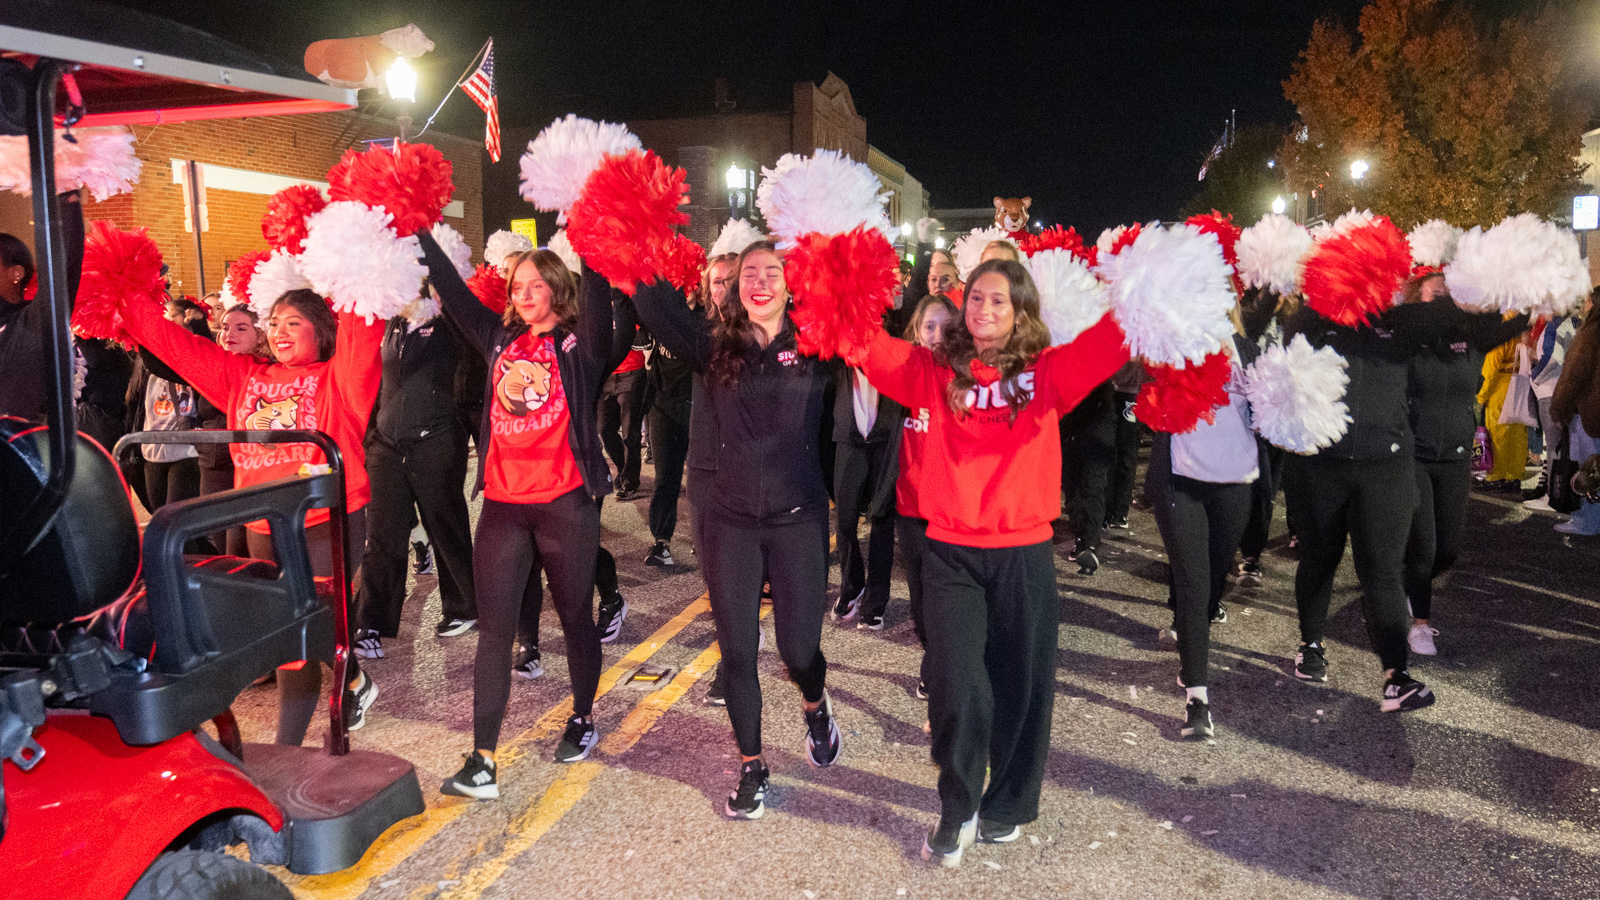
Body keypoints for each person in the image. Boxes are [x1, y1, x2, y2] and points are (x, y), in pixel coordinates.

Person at [853, 259, 1128, 865]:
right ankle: (958, 806)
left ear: (1022, 310)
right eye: (976, 298)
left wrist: (1154, 283)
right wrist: (831, 266)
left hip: (1023, 553)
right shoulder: (929, 370)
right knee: (955, 683)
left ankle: (1006, 801)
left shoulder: (1048, 372)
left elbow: (1115, 342)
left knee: (1021, 686)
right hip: (949, 553)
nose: (984, 310)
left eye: (999, 301)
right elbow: (861, 342)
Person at [632, 242, 843, 821]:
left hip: (798, 520)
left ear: (790, 283)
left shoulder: (818, 342)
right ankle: (752, 766)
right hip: (729, 523)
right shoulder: (714, 344)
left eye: (772, 272)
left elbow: (859, 305)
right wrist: (622, 243)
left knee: (799, 650)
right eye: (749, 273)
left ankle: (815, 703)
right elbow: (653, 305)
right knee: (738, 652)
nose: (759, 281)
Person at [120, 287, 384, 744]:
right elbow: (176, 346)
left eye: (294, 322)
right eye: (275, 322)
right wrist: (124, 298)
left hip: (325, 519)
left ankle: (292, 739)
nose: (280, 331)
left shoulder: (338, 379)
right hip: (262, 521)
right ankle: (345, 688)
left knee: (299, 625)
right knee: (289, 634)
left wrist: (356, 269)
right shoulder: (242, 375)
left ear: (320, 330)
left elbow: (362, 332)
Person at [418, 232, 620, 800]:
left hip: (565, 505)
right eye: (518, 286)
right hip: (505, 507)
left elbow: (599, 298)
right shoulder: (499, 339)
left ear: (558, 288)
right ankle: (482, 759)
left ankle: (582, 715)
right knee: (495, 631)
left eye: (537, 285)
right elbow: (455, 294)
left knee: (576, 616)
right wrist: (419, 230)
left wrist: (593, 226)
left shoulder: (582, 346)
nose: (526, 294)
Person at [1281, 286, 1466, 712]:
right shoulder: (1314, 319)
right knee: (1319, 558)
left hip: (1387, 466)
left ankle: (1396, 677)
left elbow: (1454, 312)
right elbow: (1290, 353)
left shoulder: (1398, 322)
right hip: (1320, 464)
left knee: (1382, 572)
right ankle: (1310, 644)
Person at [1401, 273, 1528, 655]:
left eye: (1448, 294)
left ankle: (1415, 583)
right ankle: (1420, 622)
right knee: (1423, 546)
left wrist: (1536, 293)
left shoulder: (1471, 337)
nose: (1443, 301)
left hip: (1456, 458)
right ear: (1418, 298)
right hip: (1416, 457)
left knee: (1448, 550)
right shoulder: (1408, 339)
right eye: (1435, 294)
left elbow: (1514, 321)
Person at [1146, 320, 1258, 741]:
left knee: (1211, 587)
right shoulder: (1171, 342)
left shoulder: (1247, 348)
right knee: (1193, 585)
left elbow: (1268, 415)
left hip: (1235, 481)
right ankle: (1197, 695)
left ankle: (1192, 647)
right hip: (1181, 482)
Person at [352, 302, 480, 660]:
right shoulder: (390, 324)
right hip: (386, 444)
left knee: (445, 525)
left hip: (437, 439)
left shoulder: (449, 320)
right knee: (380, 536)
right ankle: (371, 622)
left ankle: (463, 607)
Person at [889, 293, 958, 707]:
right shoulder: (903, 372)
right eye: (928, 327)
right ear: (915, 331)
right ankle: (934, 655)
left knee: (946, 597)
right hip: (909, 508)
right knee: (919, 598)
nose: (936, 336)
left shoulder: (968, 377)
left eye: (945, 328)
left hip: (951, 514)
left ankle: (944, 664)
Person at [642, 261, 713, 568]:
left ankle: (706, 535)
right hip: (662, 404)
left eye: (692, 282)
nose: (686, 288)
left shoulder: (704, 322)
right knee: (665, 477)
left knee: (700, 477)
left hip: (695, 407)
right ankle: (661, 542)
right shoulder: (666, 320)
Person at [830, 337, 902, 628]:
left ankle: (876, 600)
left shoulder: (891, 334)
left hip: (884, 435)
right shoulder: (840, 333)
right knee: (844, 518)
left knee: (882, 520)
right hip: (849, 435)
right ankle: (852, 584)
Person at [0, 193, 84, 422]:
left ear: (16, 273)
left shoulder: (31, 322)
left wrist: (66, 198)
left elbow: (63, 271)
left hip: (16, 451)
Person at [1551, 289, 1600, 536]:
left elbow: (1572, 377)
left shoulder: (1590, 333)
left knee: (1588, 470)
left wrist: (1559, 409)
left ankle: (1587, 521)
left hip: (1590, 415)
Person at [598, 325, 650, 500]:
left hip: (632, 373)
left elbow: (644, 339)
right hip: (606, 376)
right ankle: (623, 469)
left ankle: (630, 481)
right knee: (604, 430)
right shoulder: (599, 305)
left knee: (630, 433)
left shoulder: (630, 306)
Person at [1477, 335, 1530, 489]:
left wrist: (1481, 397)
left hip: (1499, 391)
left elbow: (1490, 372)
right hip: (1519, 388)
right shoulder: (1523, 331)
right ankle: (1515, 476)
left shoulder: (1501, 335)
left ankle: (1496, 476)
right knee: (1518, 436)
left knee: (1497, 435)